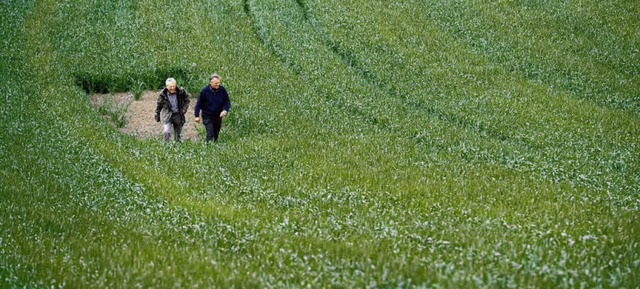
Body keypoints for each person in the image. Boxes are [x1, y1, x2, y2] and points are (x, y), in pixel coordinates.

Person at [194, 73, 231, 142]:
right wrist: (196, 115)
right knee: (210, 133)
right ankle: (208, 147)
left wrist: (225, 110)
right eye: (215, 83)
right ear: (210, 83)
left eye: (218, 83)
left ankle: (214, 149)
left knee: (216, 134)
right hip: (207, 116)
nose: (218, 84)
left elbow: (227, 102)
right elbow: (198, 104)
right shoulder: (204, 91)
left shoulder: (222, 90)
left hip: (218, 116)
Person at [154, 78, 191, 142]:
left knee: (178, 134)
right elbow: (159, 106)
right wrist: (157, 115)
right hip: (168, 115)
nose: (172, 88)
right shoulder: (162, 94)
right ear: (167, 86)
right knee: (167, 131)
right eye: (170, 86)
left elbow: (187, 100)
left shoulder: (181, 91)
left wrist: (184, 109)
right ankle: (166, 146)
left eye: (174, 86)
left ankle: (177, 146)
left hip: (178, 115)